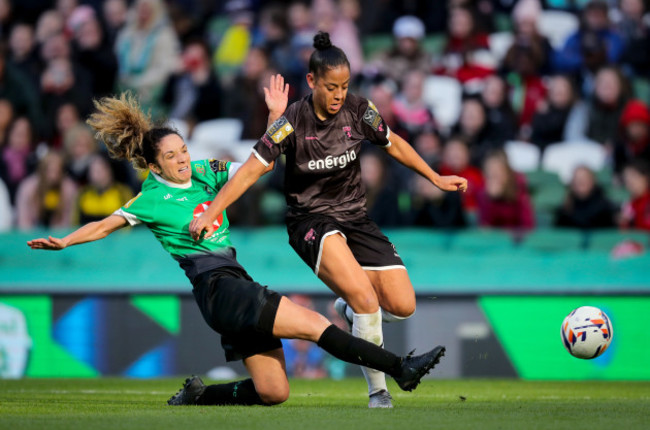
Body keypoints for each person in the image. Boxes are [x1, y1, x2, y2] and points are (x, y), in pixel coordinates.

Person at [27, 92, 446, 407]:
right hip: (216, 287)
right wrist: (66, 240)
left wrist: (272, 119)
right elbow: (104, 225)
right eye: (171, 156)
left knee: (274, 392)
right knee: (316, 324)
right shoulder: (150, 198)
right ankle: (399, 369)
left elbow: (255, 169)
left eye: (183, 150)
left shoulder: (203, 173)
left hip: (233, 282)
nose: (180, 160)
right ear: (154, 166)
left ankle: (198, 397)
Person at [189, 32, 467, 408]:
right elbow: (253, 169)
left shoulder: (359, 109)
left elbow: (393, 142)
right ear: (312, 81)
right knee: (367, 299)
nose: (339, 95)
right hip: (311, 222)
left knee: (403, 306)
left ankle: (348, 311)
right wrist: (213, 208)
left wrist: (434, 176)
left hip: (356, 218)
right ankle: (379, 391)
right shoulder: (290, 122)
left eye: (345, 86)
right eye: (332, 87)